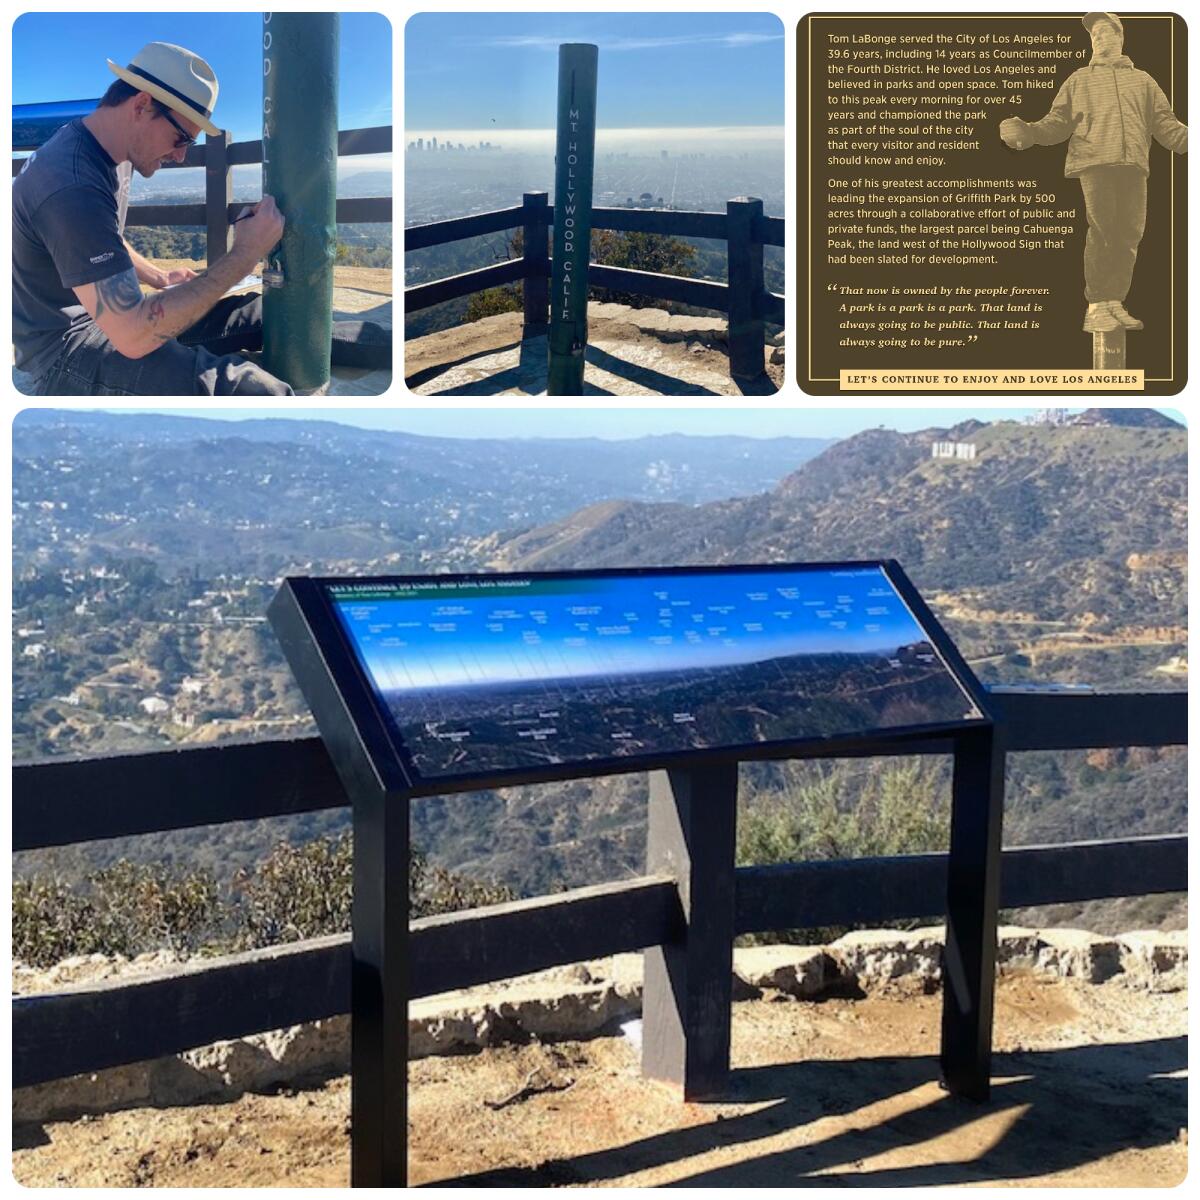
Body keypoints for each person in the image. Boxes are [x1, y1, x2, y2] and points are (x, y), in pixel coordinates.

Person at [13, 41, 292, 394]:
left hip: (105, 322)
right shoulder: (71, 184)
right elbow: (132, 336)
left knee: (266, 317)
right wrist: (245, 254)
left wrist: (158, 276)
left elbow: (101, 236)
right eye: (181, 139)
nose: (179, 156)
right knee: (253, 391)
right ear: (143, 105)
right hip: (62, 353)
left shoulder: (107, 147)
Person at [999, 13, 1187, 333]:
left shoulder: (1143, 80)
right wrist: (1028, 132)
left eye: (1104, 33)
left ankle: (1114, 301)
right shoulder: (1078, 80)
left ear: (1120, 37)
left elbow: (1166, 124)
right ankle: (1097, 305)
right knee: (1102, 230)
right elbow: (1056, 123)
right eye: (1094, 36)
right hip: (1095, 163)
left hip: (1133, 165)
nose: (1098, 40)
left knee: (1129, 233)